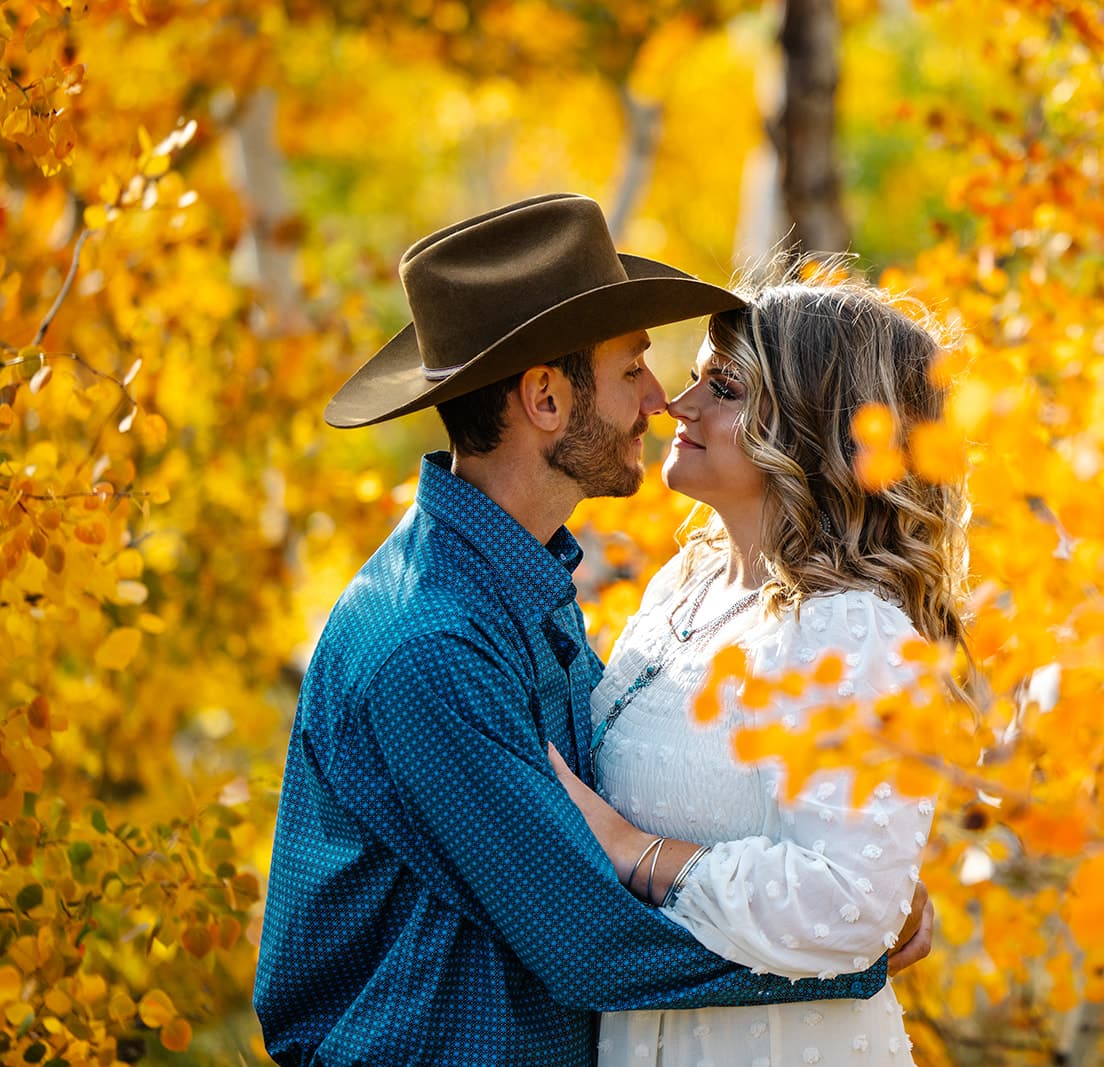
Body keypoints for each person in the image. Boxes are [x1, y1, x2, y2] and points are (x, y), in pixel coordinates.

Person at [253, 195, 931, 1067]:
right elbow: (589, 938)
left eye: (704, 381)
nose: (661, 399)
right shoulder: (431, 644)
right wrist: (854, 939)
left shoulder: (529, 583)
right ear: (544, 397)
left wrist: (858, 882)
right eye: (632, 371)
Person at [549, 272, 966, 1065]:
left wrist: (631, 849)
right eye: (699, 375)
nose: (679, 402)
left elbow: (850, 906)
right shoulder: (684, 585)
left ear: (814, 429)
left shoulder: (856, 632)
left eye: (725, 387)